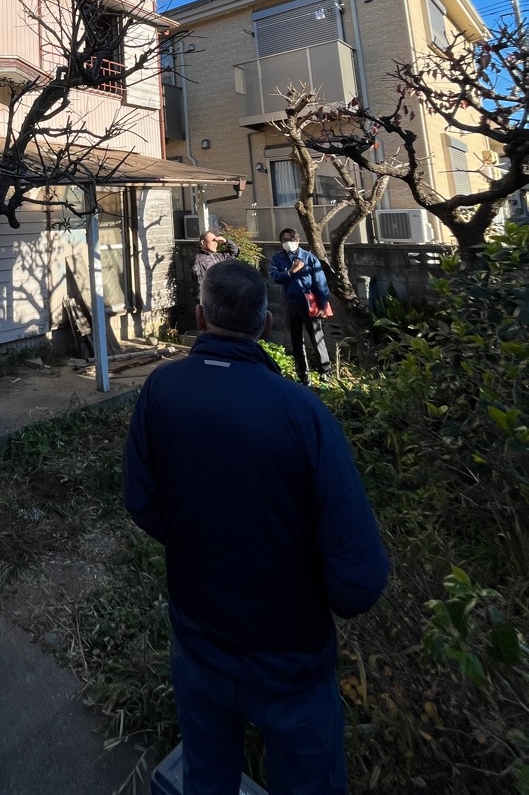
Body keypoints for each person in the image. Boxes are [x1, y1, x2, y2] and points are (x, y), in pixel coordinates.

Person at [123, 262, 388, 795]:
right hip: (291, 663)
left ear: (201, 318)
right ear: (266, 324)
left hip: (198, 641)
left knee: (205, 777)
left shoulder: (161, 389)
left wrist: (198, 542)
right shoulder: (302, 413)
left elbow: (142, 503)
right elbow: (359, 579)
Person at [268, 227, 333, 385]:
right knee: (296, 339)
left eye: (290, 239)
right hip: (290, 302)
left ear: (298, 240)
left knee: (317, 337)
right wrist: (291, 272)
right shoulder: (277, 258)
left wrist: (323, 305)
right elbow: (274, 277)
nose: (287, 242)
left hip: (309, 302)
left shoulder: (309, 258)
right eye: (284, 240)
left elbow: (320, 282)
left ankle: (325, 373)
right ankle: (303, 375)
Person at [191, 230, 238, 317]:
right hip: (211, 304)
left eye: (216, 241)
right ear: (203, 242)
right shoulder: (199, 260)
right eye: (213, 241)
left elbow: (234, 253)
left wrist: (226, 241)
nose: (215, 243)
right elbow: (199, 285)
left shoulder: (218, 257)